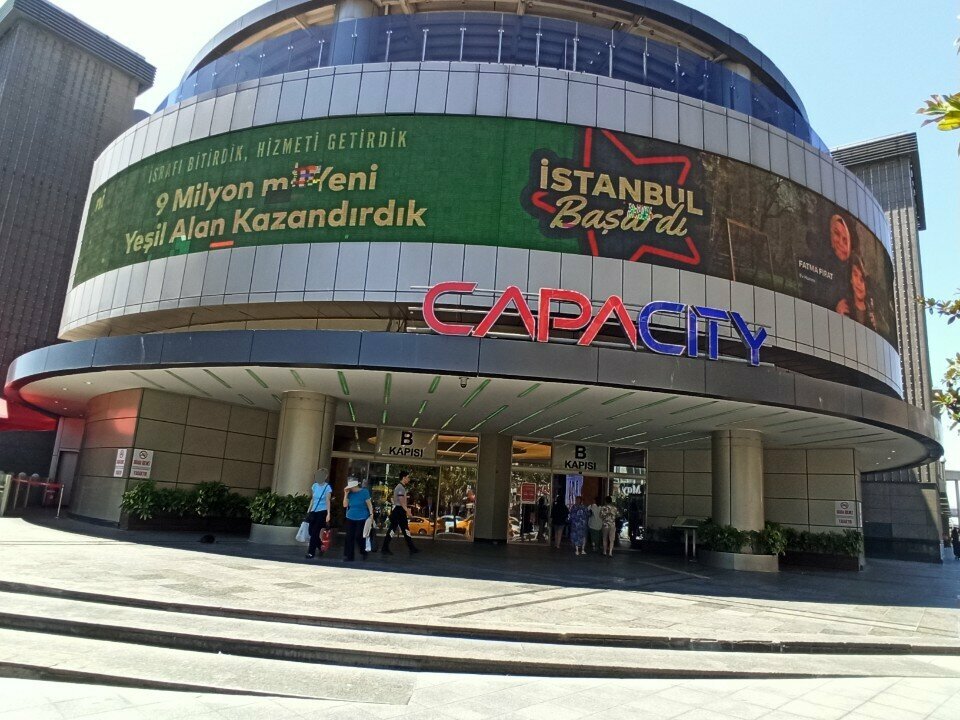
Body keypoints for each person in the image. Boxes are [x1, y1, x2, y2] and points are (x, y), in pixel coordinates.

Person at [381, 470, 419, 556]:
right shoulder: (400, 488)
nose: (409, 479)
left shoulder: (400, 487)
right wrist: (408, 511)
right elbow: (401, 502)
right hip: (399, 511)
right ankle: (385, 548)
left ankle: (411, 548)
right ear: (404, 477)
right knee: (397, 529)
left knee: (402, 529)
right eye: (408, 477)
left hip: (399, 510)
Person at [836, 254, 876, 330]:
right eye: (855, 274)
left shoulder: (873, 313)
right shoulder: (843, 308)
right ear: (851, 279)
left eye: (862, 279)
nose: (858, 283)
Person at [342, 477, 373, 562]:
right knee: (349, 537)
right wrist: (345, 494)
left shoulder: (364, 492)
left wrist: (371, 514)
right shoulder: (349, 493)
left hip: (362, 517)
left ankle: (363, 551)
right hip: (350, 517)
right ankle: (349, 556)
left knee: (359, 536)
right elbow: (345, 505)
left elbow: (369, 504)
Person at [305, 468, 332, 559]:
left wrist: (328, 514)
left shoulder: (327, 487)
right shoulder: (314, 486)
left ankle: (311, 552)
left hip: (322, 512)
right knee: (311, 531)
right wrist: (309, 510)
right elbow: (313, 499)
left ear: (325, 476)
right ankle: (321, 546)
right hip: (313, 512)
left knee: (315, 532)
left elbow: (328, 501)